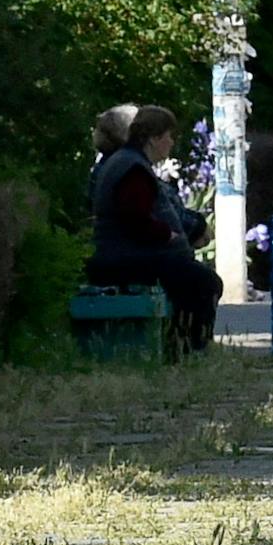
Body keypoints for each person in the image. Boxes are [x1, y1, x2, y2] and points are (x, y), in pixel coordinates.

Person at [86, 105, 221, 356]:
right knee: (204, 282)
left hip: (125, 253)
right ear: (153, 138)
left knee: (192, 280)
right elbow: (135, 219)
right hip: (124, 258)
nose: (171, 143)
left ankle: (181, 344)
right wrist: (168, 236)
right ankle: (188, 348)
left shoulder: (127, 162)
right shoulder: (133, 169)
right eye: (168, 136)